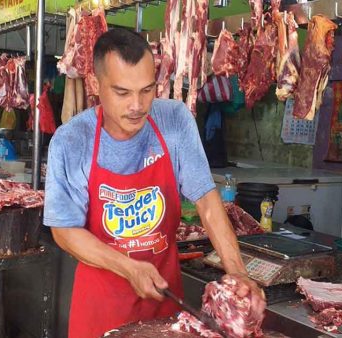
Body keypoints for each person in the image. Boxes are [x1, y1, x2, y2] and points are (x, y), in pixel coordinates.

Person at [44, 29, 266, 338]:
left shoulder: (174, 121)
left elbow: (206, 200)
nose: (137, 105)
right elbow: (64, 231)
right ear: (95, 85)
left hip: (166, 307)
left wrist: (237, 272)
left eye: (147, 90)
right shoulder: (71, 141)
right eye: (122, 93)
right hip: (101, 307)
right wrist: (129, 267)